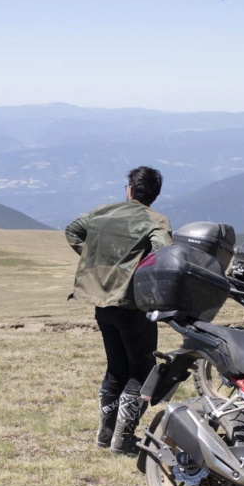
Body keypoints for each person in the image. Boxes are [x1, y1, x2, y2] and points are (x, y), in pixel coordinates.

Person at [65, 166, 172, 455]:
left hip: (101, 303)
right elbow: (163, 253)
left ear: (129, 190)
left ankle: (105, 435)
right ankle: (124, 441)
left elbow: (73, 230)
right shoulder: (155, 220)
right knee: (141, 369)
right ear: (154, 194)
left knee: (116, 368)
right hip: (132, 305)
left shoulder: (102, 211)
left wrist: (96, 261)